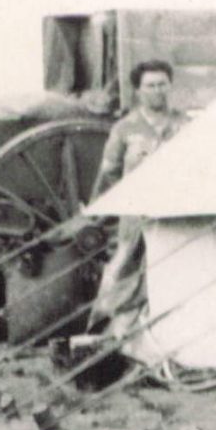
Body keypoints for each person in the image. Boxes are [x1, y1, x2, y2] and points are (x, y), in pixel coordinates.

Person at [90, 61, 189, 342]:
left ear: (170, 86)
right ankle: (105, 330)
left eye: (162, 84)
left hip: (174, 211)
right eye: (150, 85)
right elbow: (108, 172)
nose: (157, 91)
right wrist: (101, 208)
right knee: (123, 267)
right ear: (138, 91)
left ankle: (168, 335)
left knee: (173, 267)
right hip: (135, 214)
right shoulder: (125, 129)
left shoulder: (184, 124)